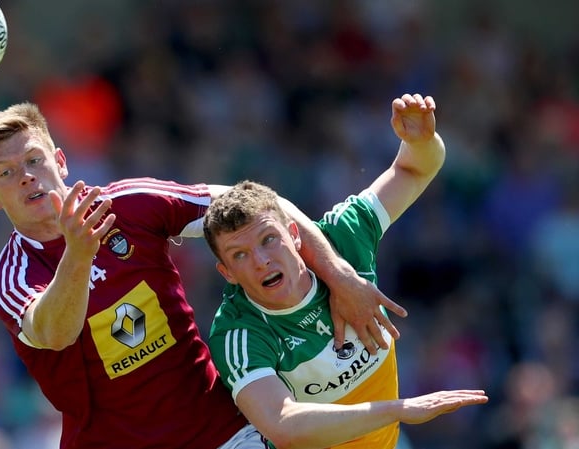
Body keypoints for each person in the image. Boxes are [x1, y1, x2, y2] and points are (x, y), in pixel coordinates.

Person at [0, 101, 408, 449]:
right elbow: (55, 332)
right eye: (6, 173)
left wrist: (340, 275)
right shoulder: (15, 274)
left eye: (34, 160)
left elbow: (259, 207)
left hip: (221, 431)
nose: (26, 177)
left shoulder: (131, 204)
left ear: (59, 161)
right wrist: (78, 256)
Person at [203, 94, 489, 449]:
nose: (261, 260)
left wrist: (422, 141)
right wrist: (398, 409)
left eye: (269, 239)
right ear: (227, 273)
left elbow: (413, 169)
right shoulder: (239, 333)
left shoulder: (343, 236)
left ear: (294, 234)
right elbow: (283, 426)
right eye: (240, 255)